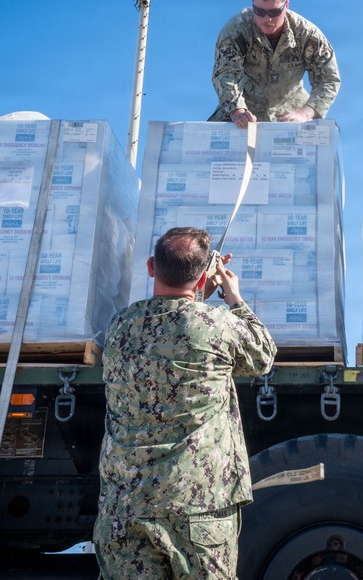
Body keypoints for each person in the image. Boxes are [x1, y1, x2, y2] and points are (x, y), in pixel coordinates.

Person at [94, 227, 277, 580]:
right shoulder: (218, 325)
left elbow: (172, 326)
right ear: (205, 274)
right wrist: (233, 298)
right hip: (198, 508)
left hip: (125, 506)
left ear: (151, 266)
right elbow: (262, 355)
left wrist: (197, 293)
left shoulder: (119, 327)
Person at [209, 0, 341, 127]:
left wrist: (305, 113)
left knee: (319, 141)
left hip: (290, 115)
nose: (267, 19)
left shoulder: (307, 35)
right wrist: (237, 110)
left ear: (286, 6)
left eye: (274, 13)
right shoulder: (236, 32)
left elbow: (328, 79)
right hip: (242, 112)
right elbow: (226, 73)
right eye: (260, 12)